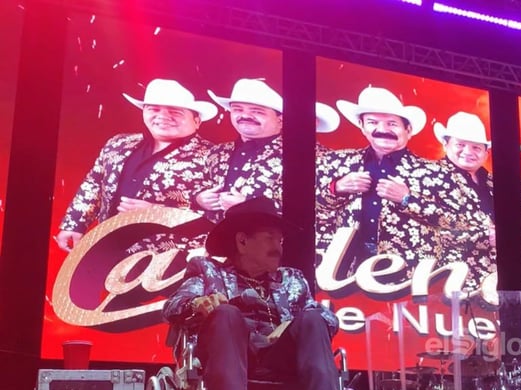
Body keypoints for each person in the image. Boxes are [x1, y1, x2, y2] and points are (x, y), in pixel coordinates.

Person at [162, 197, 358, 390]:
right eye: (269, 238)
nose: (278, 246)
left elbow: (329, 320)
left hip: (281, 365)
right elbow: (173, 306)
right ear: (242, 242)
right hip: (233, 363)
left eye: (280, 240)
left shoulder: (292, 279)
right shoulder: (209, 272)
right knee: (226, 313)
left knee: (313, 319)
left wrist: (293, 324)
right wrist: (198, 304)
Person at [315, 86, 472, 277]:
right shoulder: (335, 162)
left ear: (409, 129)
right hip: (344, 268)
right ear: (362, 126)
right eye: (372, 122)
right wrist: (336, 188)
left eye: (392, 124)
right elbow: (305, 212)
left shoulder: (437, 172)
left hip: (409, 273)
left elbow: (459, 223)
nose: (382, 130)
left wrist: (408, 200)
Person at [55, 79, 217, 251]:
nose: (162, 116)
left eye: (175, 112)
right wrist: (74, 223)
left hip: (172, 262)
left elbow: (221, 219)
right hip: (107, 249)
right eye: (153, 109)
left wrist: (158, 213)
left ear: (197, 120)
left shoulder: (214, 157)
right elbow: (93, 184)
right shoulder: (118, 143)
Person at [199, 78, 341, 222]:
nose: (245, 115)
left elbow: (322, 207)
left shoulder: (314, 156)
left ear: (281, 120)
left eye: (257, 111)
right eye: (237, 109)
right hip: (214, 240)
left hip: (278, 242)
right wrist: (198, 199)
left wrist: (250, 207)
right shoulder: (216, 152)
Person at [433, 111, 521, 290]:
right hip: (454, 283)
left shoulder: (499, 184)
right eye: (460, 144)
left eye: (476, 147)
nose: (468, 152)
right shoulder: (431, 176)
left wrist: (519, 242)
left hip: (505, 284)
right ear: (445, 144)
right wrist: (489, 238)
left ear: (486, 153)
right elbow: (428, 230)